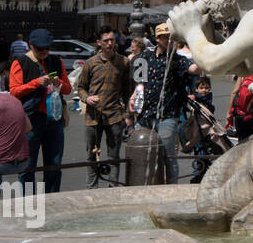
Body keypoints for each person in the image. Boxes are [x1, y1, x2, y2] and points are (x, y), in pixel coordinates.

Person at [135, 23, 198, 184]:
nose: (170, 40)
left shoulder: (177, 60)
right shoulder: (143, 58)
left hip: (168, 115)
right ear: (157, 38)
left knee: (168, 155)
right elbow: (137, 84)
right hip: (144, 114)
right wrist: (132, 100)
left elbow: (194, 69)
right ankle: (145, 188)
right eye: (165, 37)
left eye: (172, 38)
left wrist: (201, 50)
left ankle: (171, 189)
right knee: (143, 155)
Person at [11, 28, 71, 193]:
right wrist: (36, 83)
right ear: (31, 45)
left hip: (54, 117)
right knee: (28, 165)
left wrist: (59, 83)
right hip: (31, 119)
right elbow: (14, 91)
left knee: (54, 164)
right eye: (40, 49)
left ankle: (51, 198)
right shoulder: (20, 63)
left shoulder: (56, 61)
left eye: (47, 48)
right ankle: (28, 201)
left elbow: (67, 89)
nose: (44, 52)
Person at [76, 28, 130, 188]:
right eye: (106, 40)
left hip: (114, 116)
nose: (110, 43)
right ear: (99, 43)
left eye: (112, 40)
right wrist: (87, 98)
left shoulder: (124, 62)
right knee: (91, 155)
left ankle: (113, 187)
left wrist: (128, 115)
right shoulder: (90, 63)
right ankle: (92, 188)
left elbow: (127, 91)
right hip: (93, 116)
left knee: (114, 156)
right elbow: (80, 88)